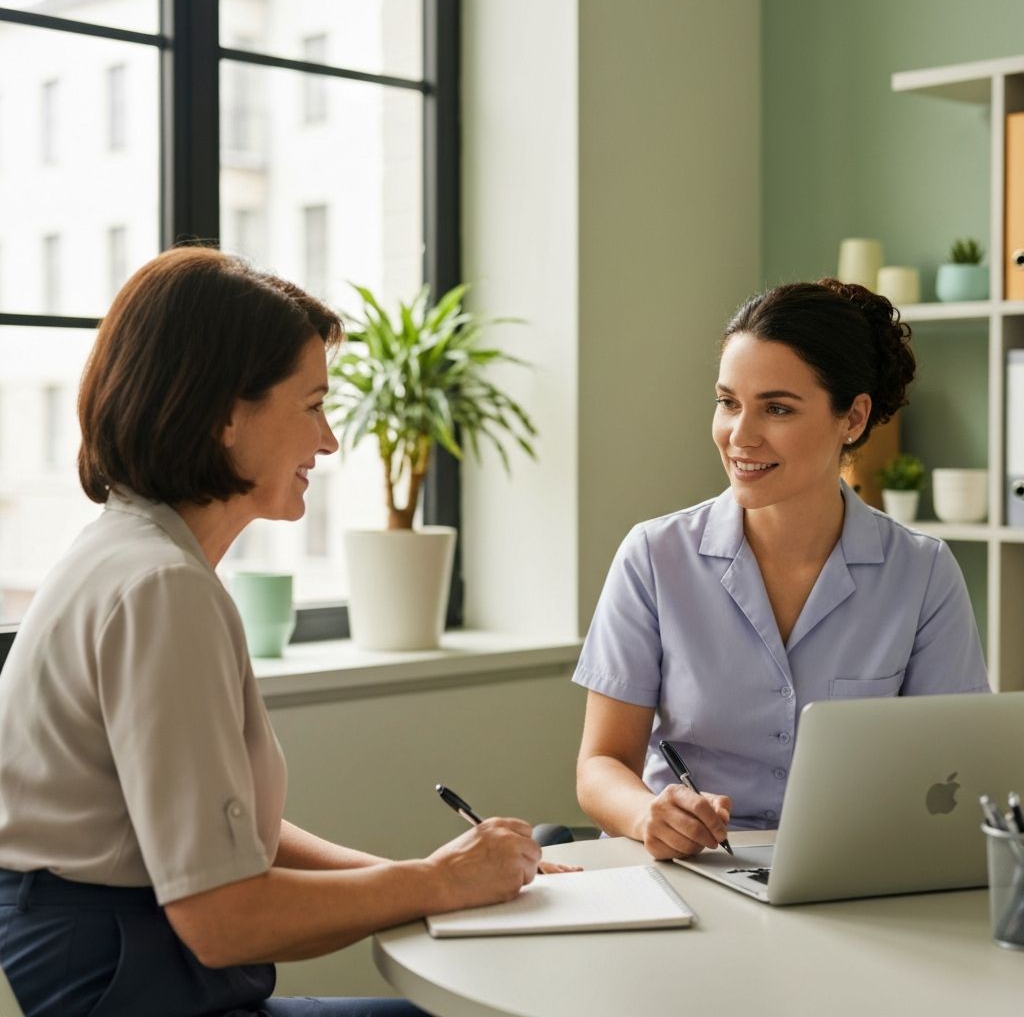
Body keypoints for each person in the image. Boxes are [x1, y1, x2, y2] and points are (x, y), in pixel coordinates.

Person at [0, 247, 571, 1017]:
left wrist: (435, 878)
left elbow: (226, 836)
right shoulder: (161, 588)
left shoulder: (134, 554)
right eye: (311, 406)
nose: (329, 441)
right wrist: (437, 884)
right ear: (226, 413)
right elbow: (221, 918)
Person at [573, 278, 990, 861]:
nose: (740, 436)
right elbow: (602, 765)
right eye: (728, 403)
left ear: (853, 417)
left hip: (849, 871)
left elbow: (960, 765)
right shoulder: (653, 555)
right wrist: (649, 815)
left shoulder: (921, 571)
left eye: (777, 408)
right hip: (691, 868)